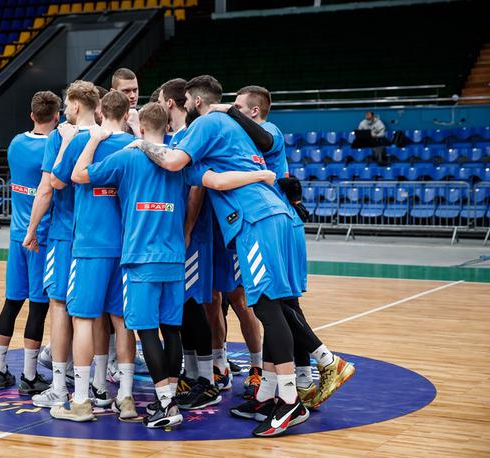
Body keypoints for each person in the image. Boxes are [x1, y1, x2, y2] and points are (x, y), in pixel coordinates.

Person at [130, 75, 308, 438]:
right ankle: (272, 393)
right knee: (266, 306)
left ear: (193, 104)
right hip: (267, 217)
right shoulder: (228, 138)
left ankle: (290, 399)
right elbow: (219, 179)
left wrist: (140, 142)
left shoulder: (209, 122)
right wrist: (259, 173)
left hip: (256, 219)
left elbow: (174, 160)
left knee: (269, 308)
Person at [229, 85, 355, 409]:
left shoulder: (267, 130)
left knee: (280, 306)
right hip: (282, 222)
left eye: (238, 106)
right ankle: (298, 381)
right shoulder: (252, 141)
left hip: (280, 225)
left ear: (254, 112)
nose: (234, 109)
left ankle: (324, 362)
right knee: (282, 304)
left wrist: (224, 113)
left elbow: (267, 141)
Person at [71, 103, 186, 429]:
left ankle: (166, 404)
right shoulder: (179, 158)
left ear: (140, 127)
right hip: (175, 255)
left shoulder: (129, 156)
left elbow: (79, 175)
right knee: (172, 329)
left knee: (146, 330)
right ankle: (170, 399)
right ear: (166, 125)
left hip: (140, 256)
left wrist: (93, 140)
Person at [48, 91, 138, 422]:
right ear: (128, 114)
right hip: (125, 246)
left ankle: (82, 401)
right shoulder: (133, 148)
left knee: (83, 319)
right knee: (122, 320)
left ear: (101, 112)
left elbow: (58, 181)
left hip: (88, 245)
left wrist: (70, 142)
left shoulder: (84, 141)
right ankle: (126, 398)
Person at [24, 80, 100, 409]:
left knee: (60, 305)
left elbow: (48, 186)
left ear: (75, 105)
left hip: (64, 233)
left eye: (67, 105)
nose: (64, 111)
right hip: (99, 237)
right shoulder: (109, 136)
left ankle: (59, 384)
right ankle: (98, 383)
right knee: (96, 312)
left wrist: (31, 229)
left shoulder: (60, 136)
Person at [0, 91, 60, 396]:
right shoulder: (55, 148)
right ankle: (29, 376)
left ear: (32, 115)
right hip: (41, 238)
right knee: (38, 308)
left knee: (11, 303)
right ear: (56, 116)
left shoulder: (16, 143)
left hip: (16, 236)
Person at [158, 77, 221, 409]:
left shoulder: (193, 134)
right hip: (178, 234)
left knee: (193, 306)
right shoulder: (177, 137)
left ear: (171, 102)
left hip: (192, 236)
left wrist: (186, 228)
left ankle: (208, 381)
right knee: (182, 307)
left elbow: (197, 187)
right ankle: (193, 376)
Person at [111, 68, 140, 136]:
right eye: (126, 91)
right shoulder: (102, 119)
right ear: (113, 92)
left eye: (135, 90)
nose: (133, 96)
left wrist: (137, 128)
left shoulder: (147, 120)